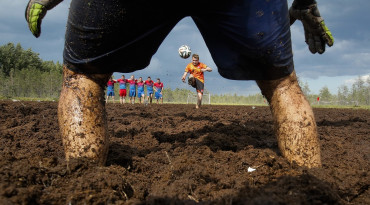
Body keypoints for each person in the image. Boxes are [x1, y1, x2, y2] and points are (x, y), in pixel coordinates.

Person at [26, 0, 333, 168]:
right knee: (281, 85)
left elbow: (200, 69)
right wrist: (305, 3)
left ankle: (84, 176)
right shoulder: (191, 64)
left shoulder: (196, 64)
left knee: (83, 77)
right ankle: (307, 184)